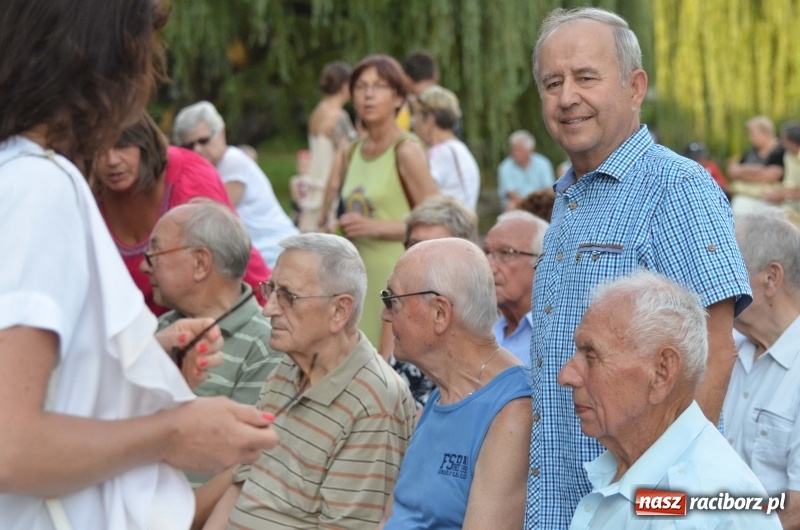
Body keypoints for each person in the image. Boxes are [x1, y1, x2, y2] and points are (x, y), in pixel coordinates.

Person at [0, 1, 278, 529]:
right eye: (145, 49)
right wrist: (176, 432)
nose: (149, 77)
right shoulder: (39, 186)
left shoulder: (23, 174)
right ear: (102, 59)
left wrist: (134, 368)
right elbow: (10, 447)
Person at [526, 7, 752, 528]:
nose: (566, 97)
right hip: (561, 508)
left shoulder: (678, 189)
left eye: (586, 77)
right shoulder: (568, 199)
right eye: (551, 82)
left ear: (634, 86)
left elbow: (713, 356)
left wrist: (658, 509)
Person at [200, 233, 417, 529]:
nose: (268, 309)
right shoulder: (288, 366)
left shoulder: (373, 401)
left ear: (339, 310)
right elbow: (241, 484)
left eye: (288, 296)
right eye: (270, 290)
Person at [560, 271, 780, 529]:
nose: (566, 375)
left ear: (662, 372)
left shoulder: (709, 504)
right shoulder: (627, 469)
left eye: (591, 355)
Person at [378, 238, 532, 529]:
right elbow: (392, 517)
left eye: (392, 300)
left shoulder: (512, 411)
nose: (385, 314)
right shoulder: (445, 393)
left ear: (440, 312)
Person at [93, 110, 270, 315]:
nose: (112, 160)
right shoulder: (82, 194)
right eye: (99, 149)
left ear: (144, 143)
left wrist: (269, 321)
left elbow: (235, 262)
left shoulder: (190, 180)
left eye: (123, 145)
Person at [334, 54, 438, 359]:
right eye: (361, 87)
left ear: (398, 98)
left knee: (383, 369)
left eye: (378, 87)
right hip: (355, 276)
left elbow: (437, 224)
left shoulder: (405, 150)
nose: (368, 95)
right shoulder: (352, 150)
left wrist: (375, 227)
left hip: (395, 276)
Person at [148, 201, 283, 405]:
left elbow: (239, 434)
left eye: (153, 255)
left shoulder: (265, 345)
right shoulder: (165, 326)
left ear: (200, 263)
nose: (143, 266)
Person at [724, 209, 800, 528]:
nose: (715, 283)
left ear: (771, 278)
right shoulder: (725, 349)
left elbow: (796, 510)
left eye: (728, 270)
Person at [172, 100, 299, 267]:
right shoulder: (210, 169)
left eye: (203, 141)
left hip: (274, 254)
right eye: (189, 145)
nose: (197, 149)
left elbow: (210, 218)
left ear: (222, 133)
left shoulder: (233, 162)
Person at [393, 194, 479, 408]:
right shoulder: (398, 302)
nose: (417, 257)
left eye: (431, 248)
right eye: (413, 245)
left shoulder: (475, 319)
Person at [484, 210, 549, 366]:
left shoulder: (558, 337)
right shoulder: (480, 331)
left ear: (541, 262)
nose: (488, 265)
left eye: (506, 253)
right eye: (486, 252)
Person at [302, 61, 358, 232]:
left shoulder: (317, 112)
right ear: (344, 86)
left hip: (313, 184)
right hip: (329, 189)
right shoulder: (339, 117)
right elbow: (350, 156)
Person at [411, 85, 481, 210]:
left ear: (430, 120)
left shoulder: (441, 153)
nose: (413, 122)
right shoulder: (458, 149)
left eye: (416, 116)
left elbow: (420, 193)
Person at [727, 115, 785, 214]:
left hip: (770, 199)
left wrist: (743, 174)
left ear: (766, 133)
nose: (750, 138)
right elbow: (732, 171)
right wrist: (755, 171)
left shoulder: (780, 151)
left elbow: (773, 175)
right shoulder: (750, 151)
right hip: (747, 196)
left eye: (752, 134)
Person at [497, 130, 556, 211]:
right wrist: (527, 205)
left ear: (530, 150)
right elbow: (511, 193)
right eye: (513, 149)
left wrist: (536, 201)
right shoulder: (505, 167)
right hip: (517, 202)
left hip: (539, 200)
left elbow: (548, 189)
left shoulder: (543, 163)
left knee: (551, 204)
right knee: (511, 205)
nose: (515, 153)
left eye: (519, 150)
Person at [763, 122, 800, 212]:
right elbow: (790, 184)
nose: (781, 142)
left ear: (792, 142)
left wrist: (785, 196)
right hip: (789, 204)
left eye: (783, 139)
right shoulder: (788, 156)